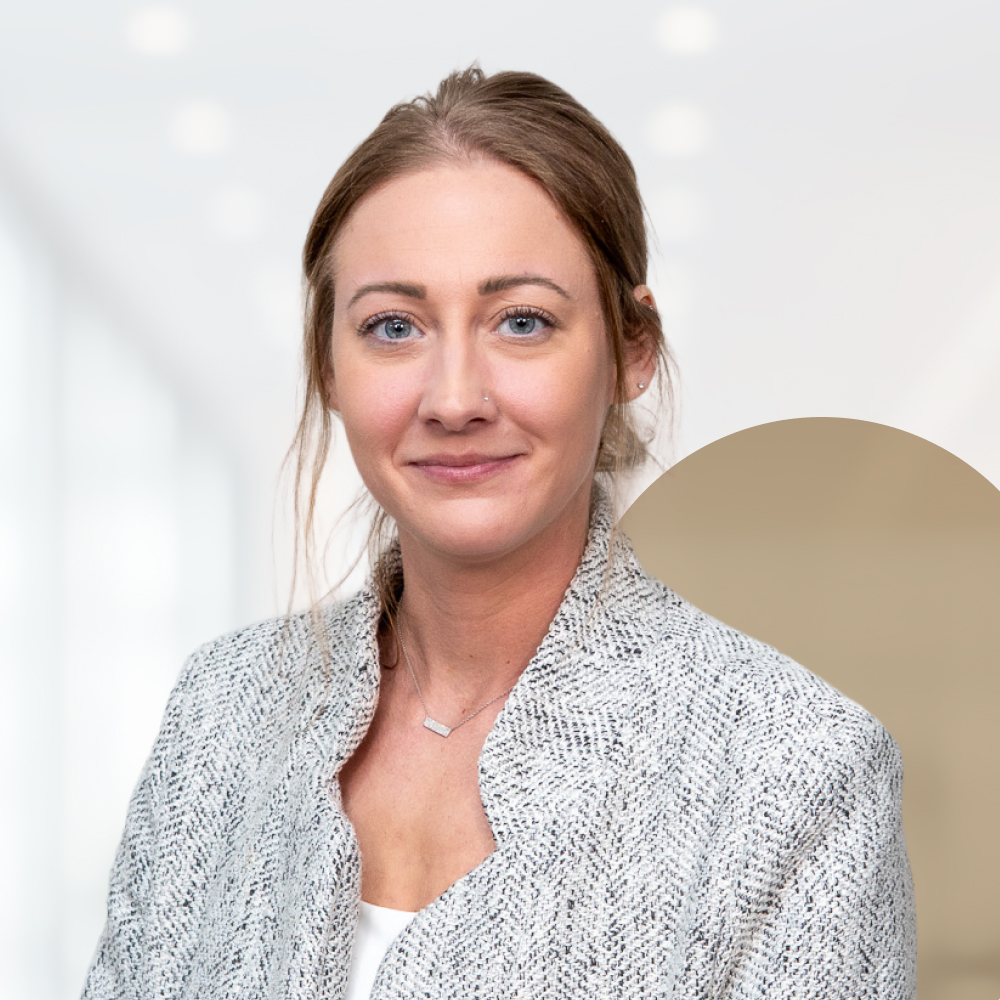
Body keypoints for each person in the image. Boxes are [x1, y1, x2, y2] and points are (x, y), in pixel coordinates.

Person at [82, 67, 916, 999]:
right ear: (327, 364)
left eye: (522, 321)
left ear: (631, 351)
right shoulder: (223, 712)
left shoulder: (796, 768)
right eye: (392, 327)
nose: (454, 400)